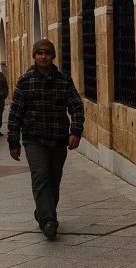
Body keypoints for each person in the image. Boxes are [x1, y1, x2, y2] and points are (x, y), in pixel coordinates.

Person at [7, 38, 85, 240]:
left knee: (53, 180)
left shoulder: (64, 81)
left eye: (47, 53)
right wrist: (13, 142)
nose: (43, 56)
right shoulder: (25, 82)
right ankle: (49, 221)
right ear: (34, 56)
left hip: (58, 139)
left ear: (53, 56)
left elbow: (76, 106)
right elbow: (15, 113)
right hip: (34, 140)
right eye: (39, 53)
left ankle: (42, 213)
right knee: (40, 176)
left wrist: (75, 131)